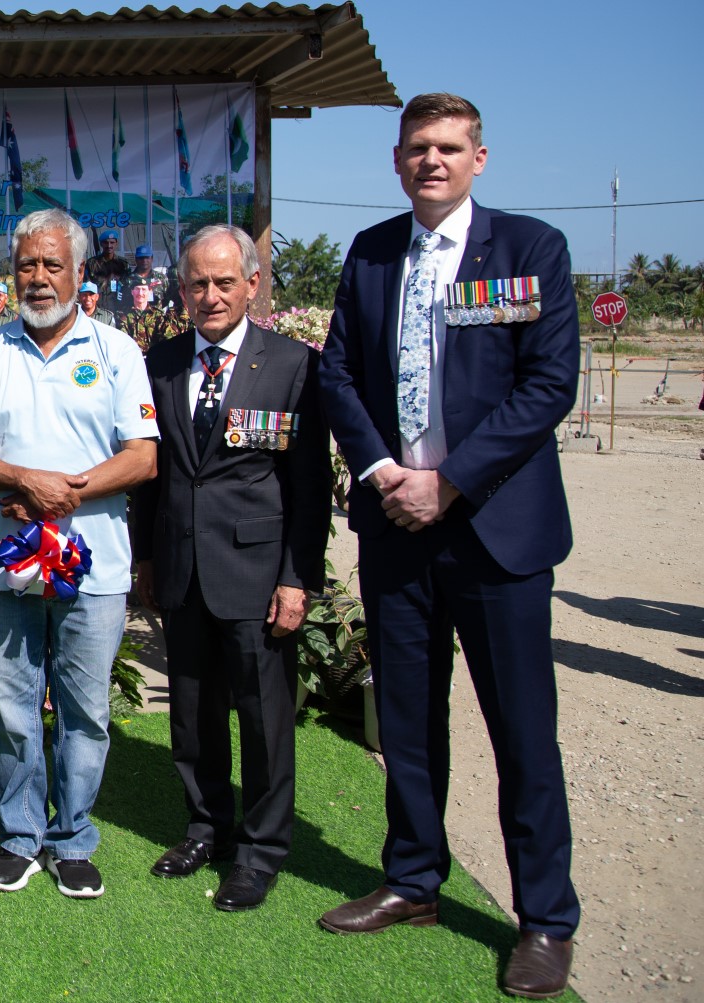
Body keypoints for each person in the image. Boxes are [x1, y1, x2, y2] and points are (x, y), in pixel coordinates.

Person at [317, 93, 580, 999]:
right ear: (397, 161)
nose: (432, 160)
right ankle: (413, 879)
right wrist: (384, 470)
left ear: (479, 159)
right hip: (398, 525)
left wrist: (452, 480)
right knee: (408, 721)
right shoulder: (372, 252)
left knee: (522, 732)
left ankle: (545, 918)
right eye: (417, 148)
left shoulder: (530, 249)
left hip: (495, 533)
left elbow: (548, 384)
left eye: (449, 148)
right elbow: (338, 373)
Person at [0, 208, 158, 899]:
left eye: (52, 264)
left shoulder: (117, 351)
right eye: (27, 265)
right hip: (8, 564)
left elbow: (143, 457)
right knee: (13, 708)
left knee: (85, 710)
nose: (38, 278)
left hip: (95, 567)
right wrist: (22, 479)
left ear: (79, 272)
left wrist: (61, 493)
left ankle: (73, 839)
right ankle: (19, 837)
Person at [133, 225, 330, 911]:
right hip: (182, 568)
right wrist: (147, 555)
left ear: (252, 284)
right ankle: (205, 828)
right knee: (192, 714)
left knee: (263, 719)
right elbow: (152, 472)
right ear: (181, 288)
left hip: (257, 574)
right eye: (197, 283)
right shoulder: (161, 361)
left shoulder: (293, 365)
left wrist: (297, 578)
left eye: (223, 282)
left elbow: (309, 487)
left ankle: (261, 851)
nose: (210, 295)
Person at [85, 229, 130, 311]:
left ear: (116, 243)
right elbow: (86, 286)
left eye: (112, 242)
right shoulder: (92, 263)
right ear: (101, 244)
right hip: (98, 307)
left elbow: (127, 287)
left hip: (118, 307)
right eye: (106, 243)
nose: (109, 245)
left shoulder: (123, 264)